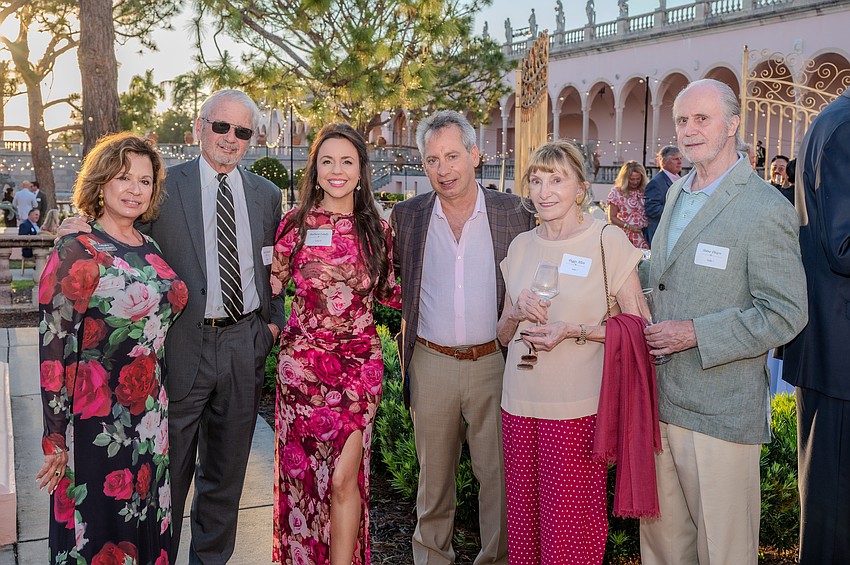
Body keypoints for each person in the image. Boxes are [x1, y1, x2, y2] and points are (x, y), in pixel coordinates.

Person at [58, 89, 285, 564]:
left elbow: (275, 268)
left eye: (242, 131)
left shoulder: (267, 195)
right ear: (201, 126)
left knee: (225, 481)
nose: (230, 138)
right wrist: (79, 226)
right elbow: (121, 225)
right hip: (181, 347)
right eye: (221, 126)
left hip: (245, 345)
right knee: (167, 481)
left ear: (252, 139)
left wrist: (270, 329)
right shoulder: (163, 186)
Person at [639, 79, 807, 565]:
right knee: (664, 550)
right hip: (662, 404)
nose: (689, 131)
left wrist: (695, 332)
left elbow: (786, 312)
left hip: (720, 414)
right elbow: (663, 275)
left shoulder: (764, 208)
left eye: (702, 119)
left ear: (733, 124)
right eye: (682, 120)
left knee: (724, 553)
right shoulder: (676, 194)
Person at [390, 110, 536, 565]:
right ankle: (432, 558)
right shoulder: (407, 216)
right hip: (430, 362)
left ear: (475, 155)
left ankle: (496, 559)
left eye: (452, 156)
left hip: (495, 361)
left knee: (498, 479)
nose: (443, 169)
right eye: (432, 160)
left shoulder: (514, 212)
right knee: (433, 482)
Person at [36, 132, 183, 564]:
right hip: (94, 420)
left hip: (151, 418)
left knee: (145, 520)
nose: (135, 189)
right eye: (123, 178)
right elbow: (53, 349)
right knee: (99, 527)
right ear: (101, 183)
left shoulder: (150, 246)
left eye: (145, 180)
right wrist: (53, 436)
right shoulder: (76, 247)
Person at [496, 140, 644, 564]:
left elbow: (637, 324)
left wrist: (572, 330)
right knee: (524, 531)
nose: (544, 191)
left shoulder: (606, 240)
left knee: (571, 534)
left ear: (580, 187)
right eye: (536, 180)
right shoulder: (521, 246)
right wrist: (517, 312)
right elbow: (503, 335)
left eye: (556, 180)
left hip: (577, 411)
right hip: (518, 404)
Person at [270, 123, 401, 565]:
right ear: (315, 169)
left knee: (346, 477)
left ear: (361, 169)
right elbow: (265, 281)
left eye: (347, 161)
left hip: (358, 368)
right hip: (301, 369)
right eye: (327, 161)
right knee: (304, 478)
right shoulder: (295, 225)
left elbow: (396, 292)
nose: (337, 170)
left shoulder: (378, 231)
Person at [784, 87, 850, 565]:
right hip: (840, 353)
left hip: (834, 347)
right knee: (833, 518)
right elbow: (842, 245)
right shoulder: (845, 127)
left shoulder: (836, 118)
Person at [643, 146, 682, 246]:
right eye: (675, 159)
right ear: (663, 162)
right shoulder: (656, 182)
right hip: (662, 235)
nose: (679, 162)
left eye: (680, 158)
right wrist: (676, 211)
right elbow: (652, 209)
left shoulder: (680, 180)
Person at [606, 160, 649, 249]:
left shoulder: (646, 191)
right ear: (625, 178)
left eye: (638, 179)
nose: (635, 182)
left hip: (645, 236)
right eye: (632, 179)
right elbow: (612, 217)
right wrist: (628, 226)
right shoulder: (616, 192)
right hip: (625, 236)